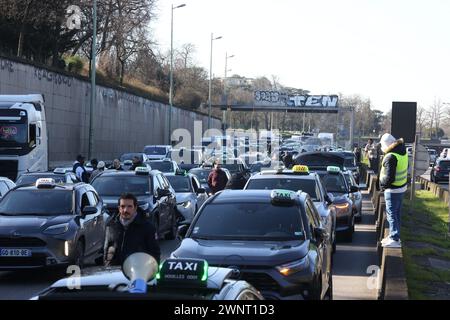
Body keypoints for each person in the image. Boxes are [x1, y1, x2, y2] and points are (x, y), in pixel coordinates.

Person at [103, 193, 161, 266]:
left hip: (137, 271)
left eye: (129, 206)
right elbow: (107, 248)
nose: (125, 210)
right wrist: (107, 265)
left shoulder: (147, 227)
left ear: (135, 208)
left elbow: (155, 253)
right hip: (114, 271)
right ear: (119, 208)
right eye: (122, 206)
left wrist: (151, 273)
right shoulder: (111, 225)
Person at [379, 133, 408, 248]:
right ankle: (394, 235)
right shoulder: (403, 151)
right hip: (401, 187)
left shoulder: (390, 156)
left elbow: (389, 177)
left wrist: (383, 186)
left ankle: (394, 238)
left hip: (392, 189)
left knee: (391, 214)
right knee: (397, 213)